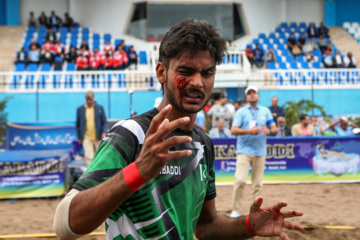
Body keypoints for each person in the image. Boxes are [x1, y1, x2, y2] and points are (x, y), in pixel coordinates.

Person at [54, 19, 303, 240]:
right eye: (186, 71)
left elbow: (205, 226)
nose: (197, 82)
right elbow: (65, 225)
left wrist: (248, 225)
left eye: (207, 73)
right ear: (162, 72)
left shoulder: (203, 144)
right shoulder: (131, 134)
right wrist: (138, 171)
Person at [230, 86, 278, 218]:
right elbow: (233, 130)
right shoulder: (241, 111)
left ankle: (255, 212)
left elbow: (274, 129)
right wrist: (248, 131)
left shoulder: (265, 111)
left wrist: (270, 131)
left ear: (258, 95)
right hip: (244, 151)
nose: (252, 95)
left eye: (254, 92)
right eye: (249, 93)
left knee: (258, 184)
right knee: (240, 181)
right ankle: (236, 210)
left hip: (260, 151)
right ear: (246, 97)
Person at [75, 91, 107, 165]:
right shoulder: (80, 109)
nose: (89, 101)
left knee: (99, 157)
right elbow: (78, 124)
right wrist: (79, 137)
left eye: (91, 99)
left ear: (93, 98)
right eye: (87, 100)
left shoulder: (100, 108)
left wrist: (103, 132)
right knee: (89, 157)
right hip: (86, 138)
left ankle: (99, 174)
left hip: (98, 137)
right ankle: (91, 175)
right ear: (85, 99)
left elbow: (104, 122)